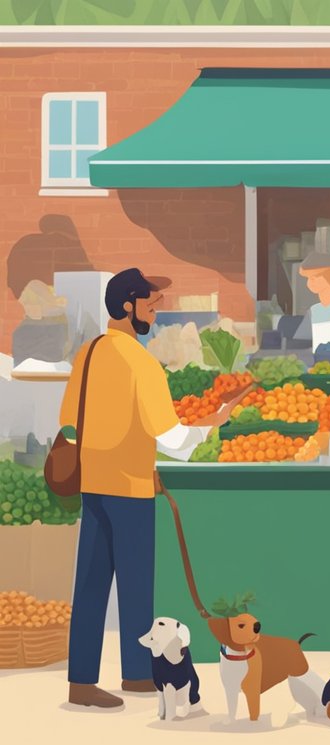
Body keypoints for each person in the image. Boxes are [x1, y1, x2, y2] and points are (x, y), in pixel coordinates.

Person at [60, 269, 247, 708]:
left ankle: (81, 683)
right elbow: (172, 438)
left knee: (88, 585)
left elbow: (69, 421)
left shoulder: (88, 354)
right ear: (128, 305)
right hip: (129, 489)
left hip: (93, 485)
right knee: (136, 585)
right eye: (150, 300)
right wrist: (211, 424)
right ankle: (138, 674)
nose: (156, 306)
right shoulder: (140, 362)